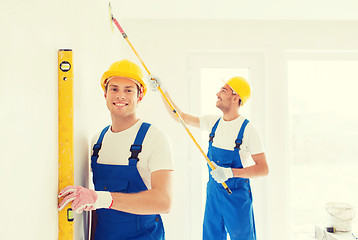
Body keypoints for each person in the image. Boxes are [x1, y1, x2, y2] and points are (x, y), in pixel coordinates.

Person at [58, 60, 173, 240]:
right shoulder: (97, 141)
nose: (120, 96)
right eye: (114, 89)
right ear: (105, 94)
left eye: (128, 90)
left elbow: (164, 202)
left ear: (140, 96)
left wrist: (101, 199)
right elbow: (94, 206)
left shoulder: (154, 137)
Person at [148, 75, 268, 240]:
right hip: (214, 194)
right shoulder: (214, 123)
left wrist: (230, 173)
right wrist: (163, 91)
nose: (217, 93)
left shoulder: (248, 130)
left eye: (223, 90)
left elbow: (263, 169)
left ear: (235, 97)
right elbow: (179, 117)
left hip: (237, 197)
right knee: (211, 237)